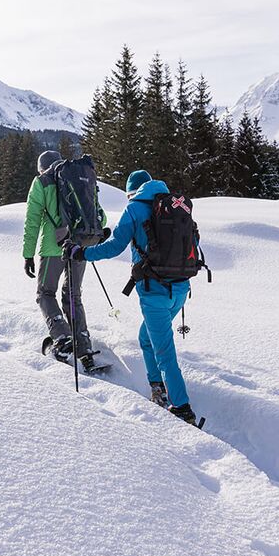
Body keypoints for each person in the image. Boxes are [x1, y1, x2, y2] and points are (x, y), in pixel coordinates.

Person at [62, 169, 197, 425]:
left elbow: (114, 247)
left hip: (154, 291)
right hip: (180, 288)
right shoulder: (177, 205)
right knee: (146, 338)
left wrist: (81, 253)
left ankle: (182, 407)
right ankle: (157, 387)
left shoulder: (134, 209)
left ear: (131, 193)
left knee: (164, 350)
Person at [23, 150, 106, 372]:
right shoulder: (80, 176)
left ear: (42, 167)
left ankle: (62, 338)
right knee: (73, 295)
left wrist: (27, 254)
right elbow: (101, 216)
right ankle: (85, 348)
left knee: (45, 293)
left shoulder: (42, 181)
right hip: (80, 246)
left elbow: (32, 221)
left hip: (53, 248)